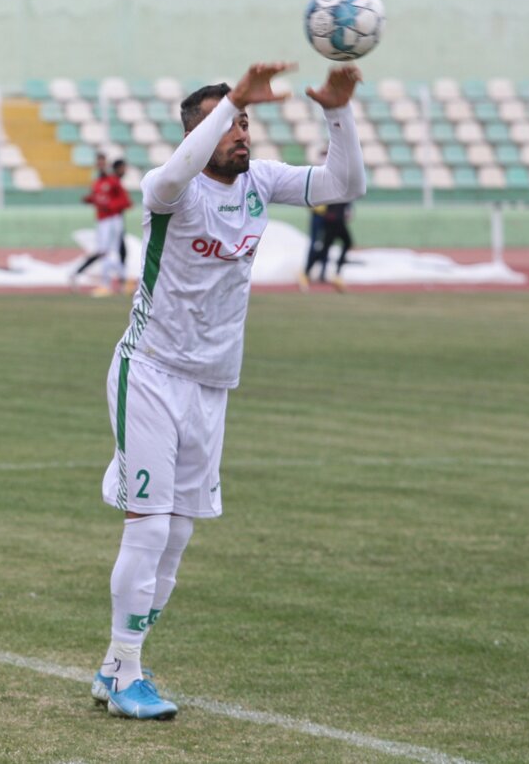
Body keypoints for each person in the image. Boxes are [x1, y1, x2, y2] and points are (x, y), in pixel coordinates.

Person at [91, 62, 366, 720]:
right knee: (150, 525)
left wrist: (338, 112)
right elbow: (168, 175)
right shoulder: (173, 190)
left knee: (179, 533)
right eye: (232, 123)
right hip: (150, 370)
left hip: (212, 385)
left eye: (245, 121)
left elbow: (345, 182)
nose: (243, 132)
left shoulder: (261, 181)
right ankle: (126, 671)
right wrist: (228, 100)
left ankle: (114, 666)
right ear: (200, 131)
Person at [72, 153, 133, 296]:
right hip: (102, 220)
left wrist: (110, 205)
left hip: (112, 219)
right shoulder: (97, 183)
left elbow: (126, 201)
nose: (100, 165)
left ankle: (108, 284)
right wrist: (89, 200)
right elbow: (97, 198)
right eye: (98, 163)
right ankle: (117, 281)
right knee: (107, 250)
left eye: (102, 162)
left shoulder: (112, 182)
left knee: (109, 250)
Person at [303, 201, 354, 291]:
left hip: (331, 218)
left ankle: (308, 271)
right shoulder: (339, 193)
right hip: (334, 219)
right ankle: (309, 271)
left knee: (326, 248)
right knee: (326, 247)